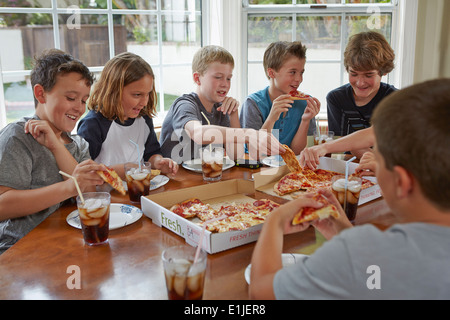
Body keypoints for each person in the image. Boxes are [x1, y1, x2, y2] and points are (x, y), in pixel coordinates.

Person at [249, 78, 450, 299]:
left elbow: (261, 293)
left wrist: (274, 223)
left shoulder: (359, 252)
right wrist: (345, 232)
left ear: (401, 183)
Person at [0, 49, 105, 255]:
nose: (79, 108)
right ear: (40, 94)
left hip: (66, 246)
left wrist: (56, 146)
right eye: (71, 97)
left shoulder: (78, 144)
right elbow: (2, 205)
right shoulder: (17, 136)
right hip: (20, 252)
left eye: (84, 101)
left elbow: (88, 194)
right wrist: (67, 188)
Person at [160, 45, 284, 163]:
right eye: (218, 77)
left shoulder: (220, 108)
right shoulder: (185, 105)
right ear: (197, 78)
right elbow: (198, 134)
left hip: (205, 179)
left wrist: (233, 114)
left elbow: (236, 155)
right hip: (176, 181)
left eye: (228, 78)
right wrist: (249, 134)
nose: (225, 84)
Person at [77, 52, 178, 179]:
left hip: (138, 191)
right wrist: (127, 168)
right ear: (114, 92)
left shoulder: (144, 119)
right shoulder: (93, 124)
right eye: (137, 95)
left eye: (147, 94)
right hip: (107, 196)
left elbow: (151, 153)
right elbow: (83, 172)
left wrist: (158, 162)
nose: (144, 102)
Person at [240, 41, 320, 155]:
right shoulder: (252, 104)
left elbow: (297, 152)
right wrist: (271, 118)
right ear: (272, 73)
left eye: (301, 72)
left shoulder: (305, 104)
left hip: (289, 170)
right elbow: (254, 151)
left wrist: (305, 120)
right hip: (259, 169)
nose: (299, 79)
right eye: (292, 72)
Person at [327, 31, 396, 157]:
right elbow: (348, 142)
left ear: (383, 72)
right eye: (353, 74)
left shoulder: (394, 100)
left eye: (368, 75)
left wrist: (378, 164)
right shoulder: (336, 99)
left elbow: (376, 135)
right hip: (352, 164)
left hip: (387, 166)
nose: (360, 83)